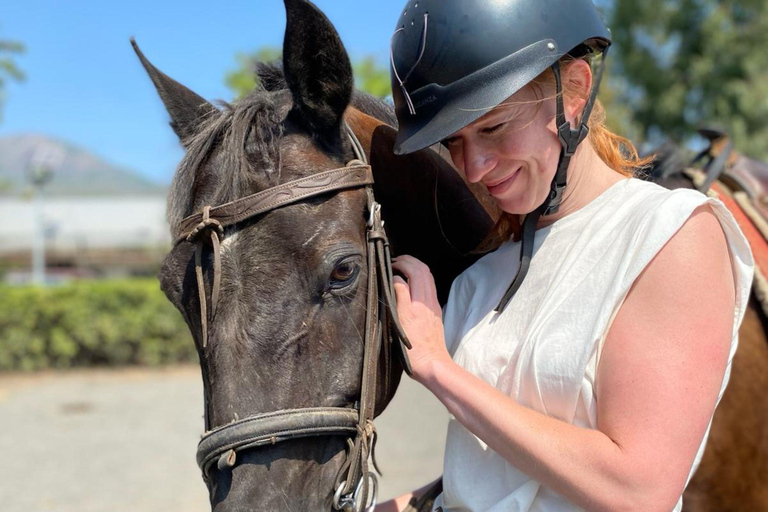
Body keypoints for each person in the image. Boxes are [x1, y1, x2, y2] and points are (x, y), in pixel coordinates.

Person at [378, 1, 753, 511]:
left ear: (573, 90)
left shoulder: (669, 236)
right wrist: (416, 501)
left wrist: (441, 372)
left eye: (491, 127)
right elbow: (501, 470)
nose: (472, 167)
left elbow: (637, 488)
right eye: (454, 141)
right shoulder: (480, 278)